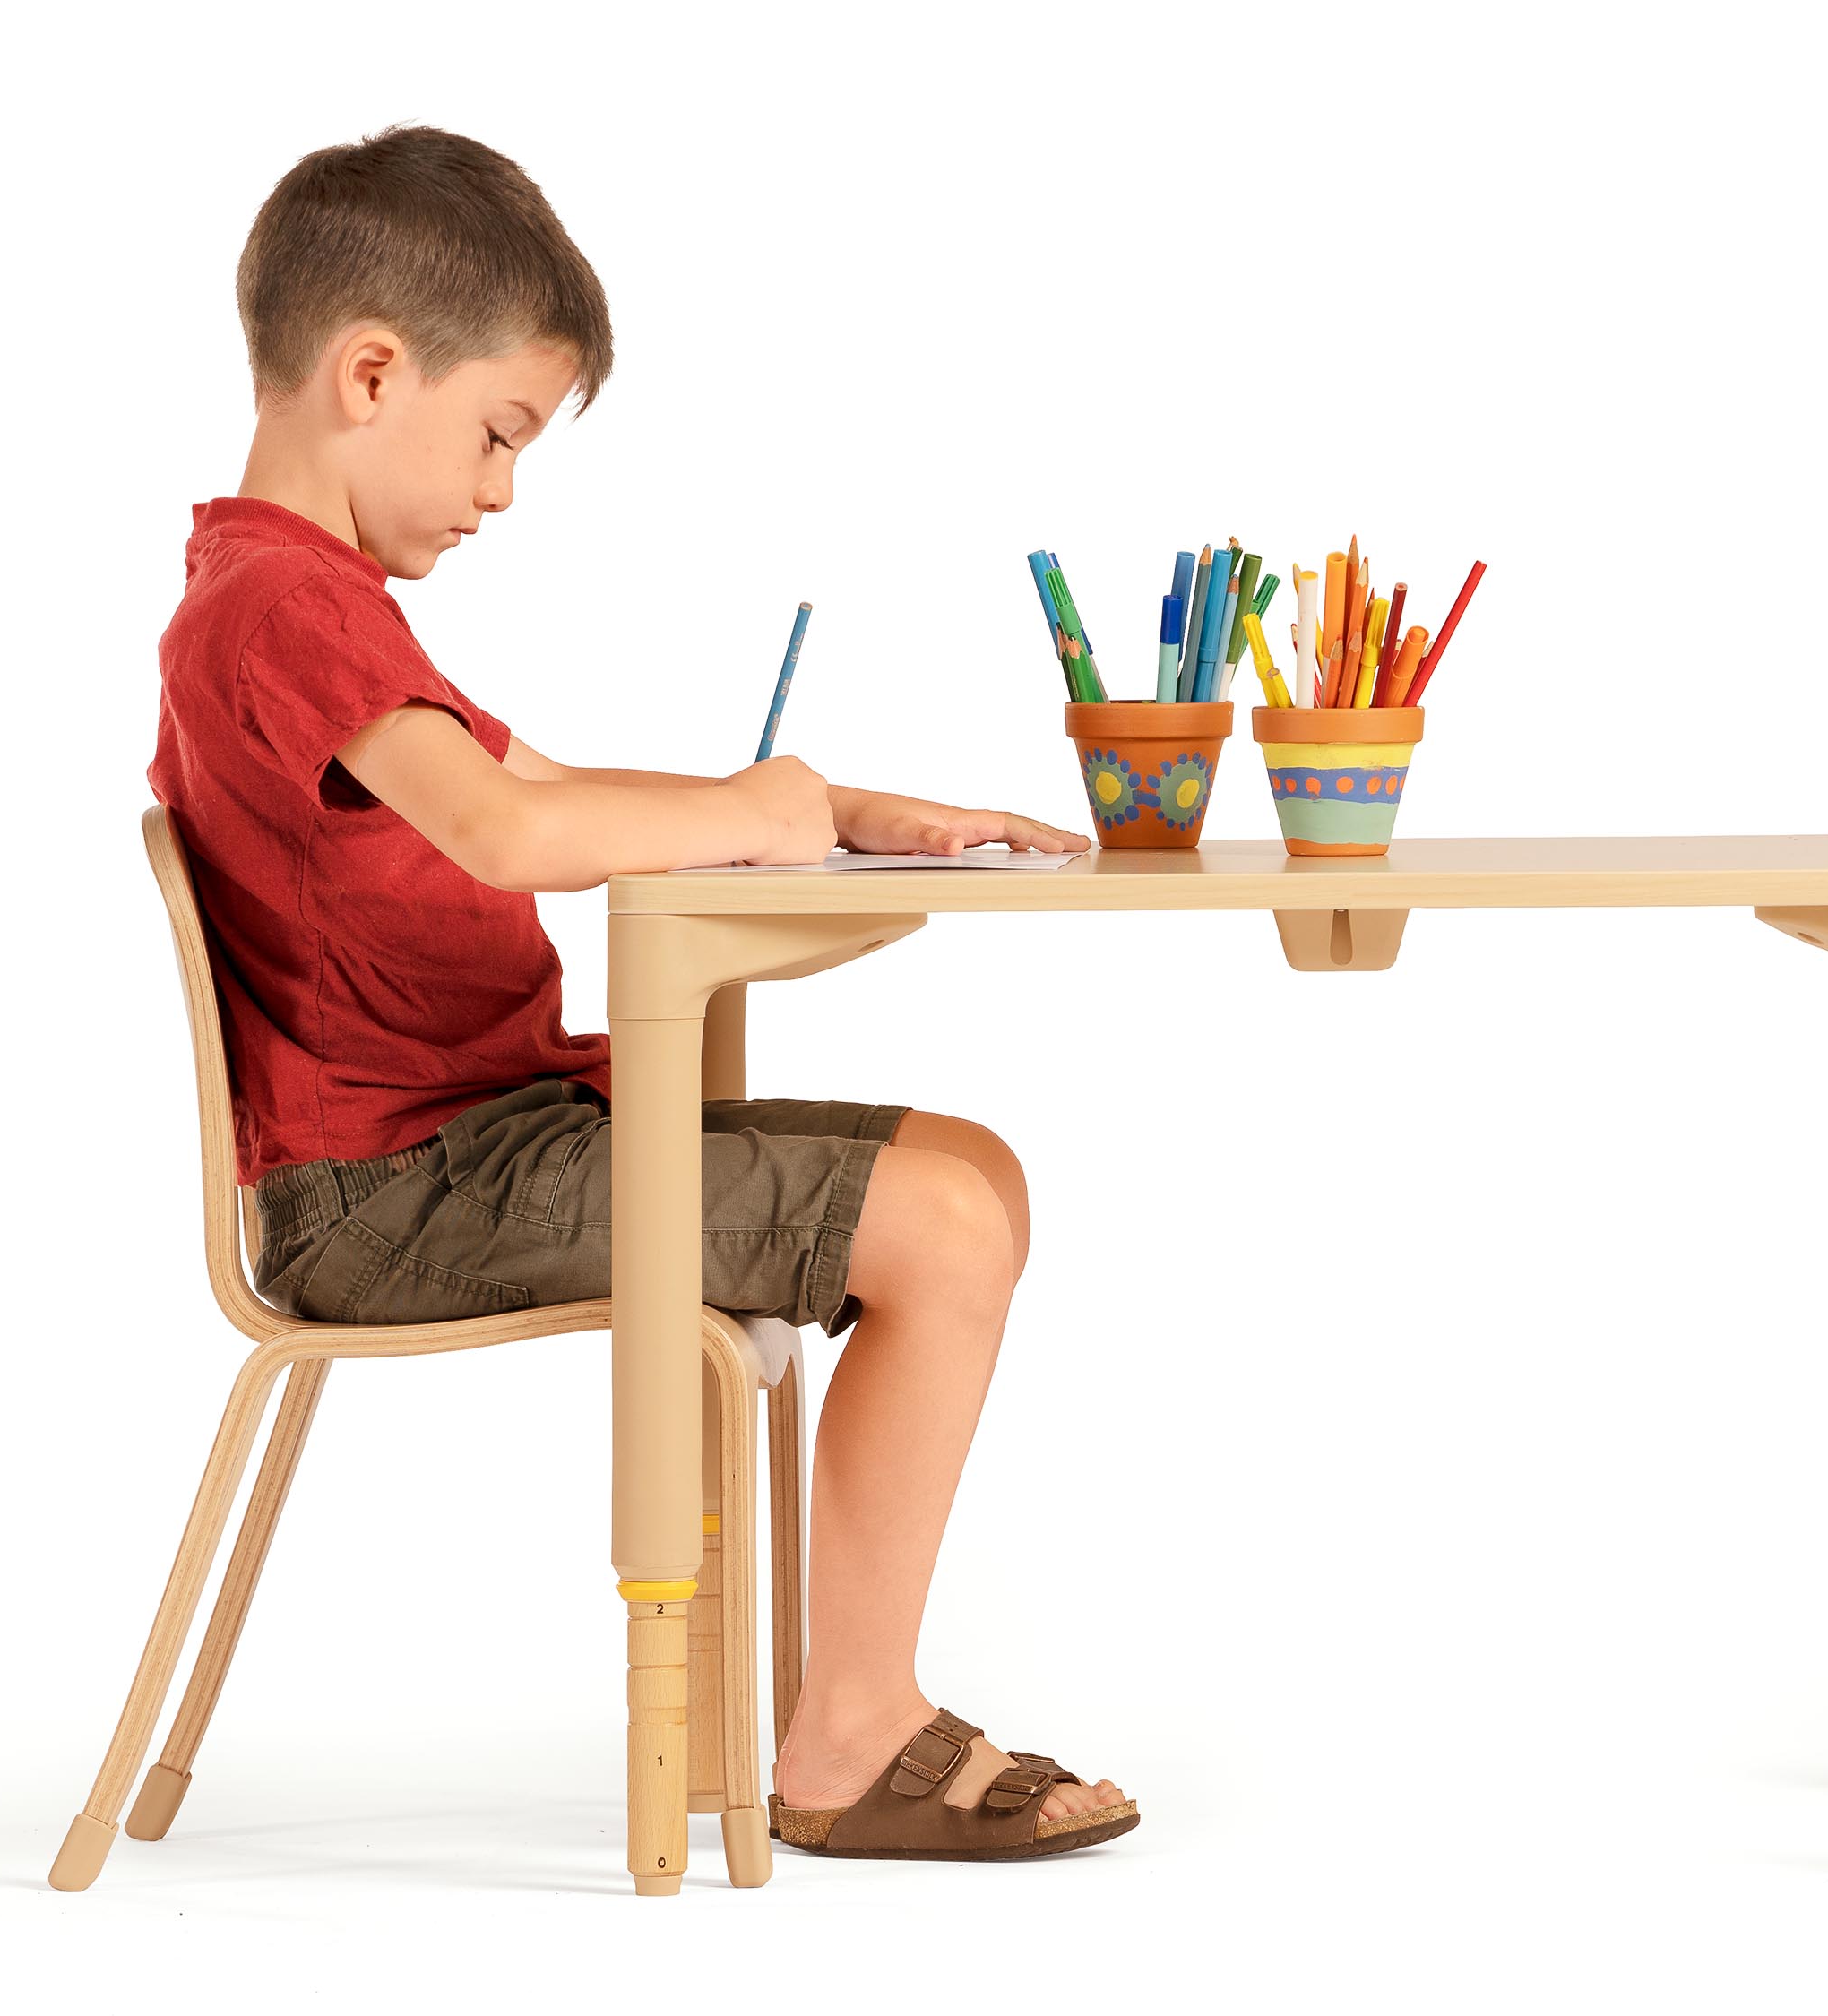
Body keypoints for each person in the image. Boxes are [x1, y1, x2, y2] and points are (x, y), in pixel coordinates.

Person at [148, 125, 1131, 1861]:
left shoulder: (309, 607)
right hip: (392, 1193)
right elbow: (508, 825)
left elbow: (535, 773)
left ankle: (854, 1706)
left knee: (972, 1177)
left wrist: (823, 812)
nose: (502, 490)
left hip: (476, 1142)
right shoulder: (278, 610)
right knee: (944, 1231)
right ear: (370, 371)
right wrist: (764, 807)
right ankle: (850, 1736)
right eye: (500, 435)